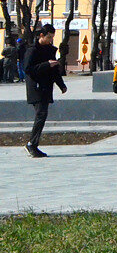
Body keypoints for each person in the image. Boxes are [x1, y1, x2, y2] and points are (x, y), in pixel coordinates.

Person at [23, 24, 67, 158]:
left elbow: (54, 70)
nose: (50, 40)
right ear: (41, 35)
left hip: (46, 87)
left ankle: (33, 144)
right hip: (36, 87)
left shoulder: (50, 50)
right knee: (41, 115)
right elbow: (28, 69)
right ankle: (31, 144)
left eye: (52, 38)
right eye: (48, 37)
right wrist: (46, 64)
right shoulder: (32, 50)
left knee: (42, 115)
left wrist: (61, 84)